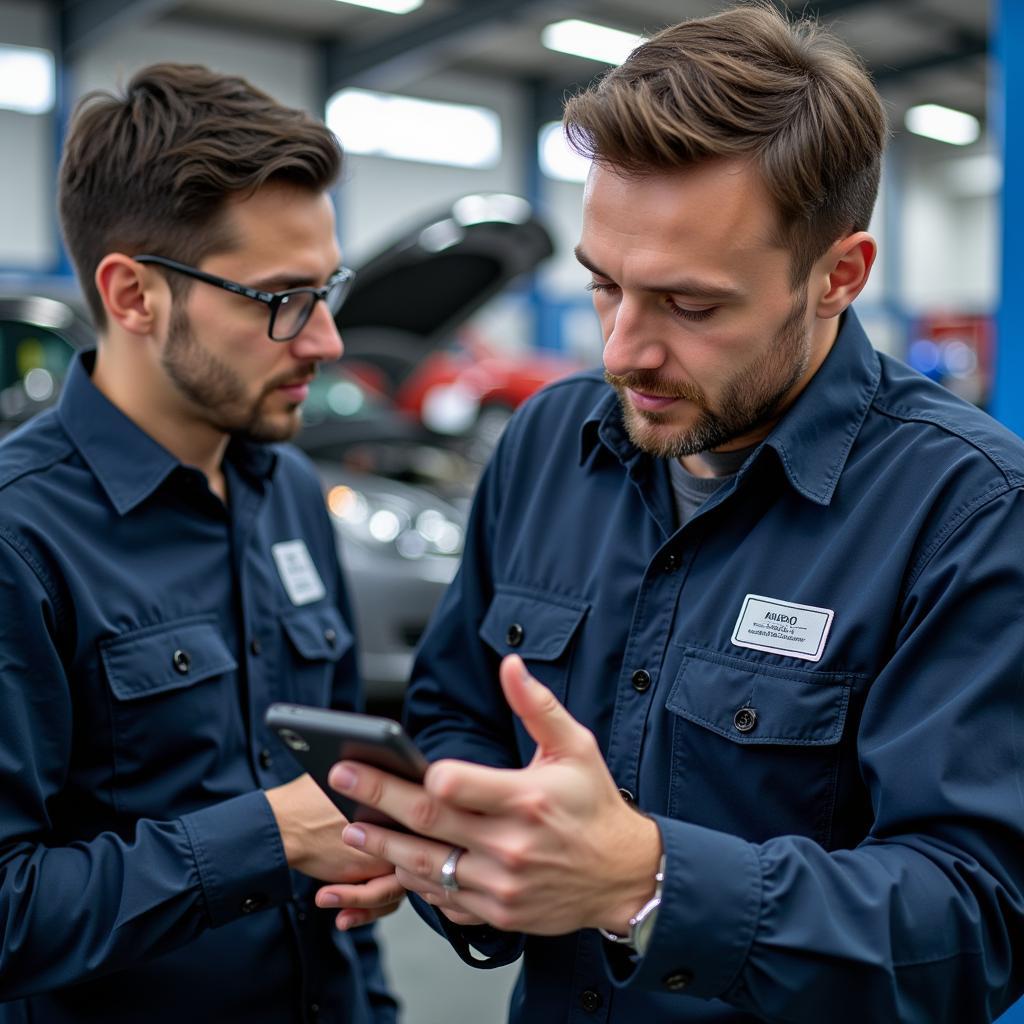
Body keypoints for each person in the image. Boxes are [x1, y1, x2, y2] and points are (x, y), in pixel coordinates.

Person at [313, 5, 1024, 1022]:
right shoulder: (545, 446)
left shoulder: (967, 511)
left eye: (690, 306)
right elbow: (453, 710)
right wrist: (464, 854)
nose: (620, 352)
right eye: (605, 287)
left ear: (838, 276)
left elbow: (974, 916)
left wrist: (647, 882)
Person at [0, 64, 404, 1022]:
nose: (327, 341)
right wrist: (262, 837)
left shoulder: (290, 490)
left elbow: (338, 816)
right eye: (281, 300)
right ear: (134, 295)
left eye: (328, 289)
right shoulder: (22, 540)